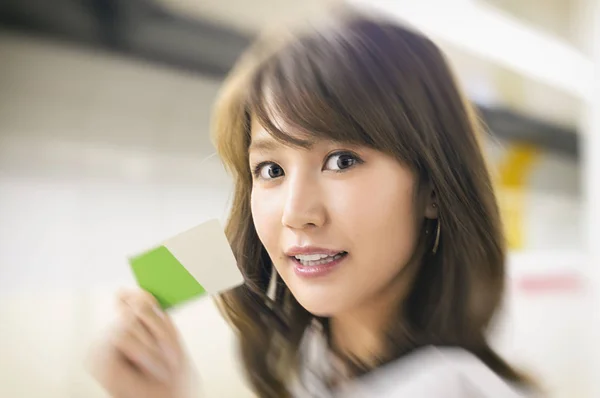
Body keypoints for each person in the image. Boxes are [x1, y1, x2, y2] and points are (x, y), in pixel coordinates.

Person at [89, 8, 539, 398]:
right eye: (271, 170)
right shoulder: (318, 359)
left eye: (341, 161)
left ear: (434, 190)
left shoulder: (449, 388)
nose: (295, 213)